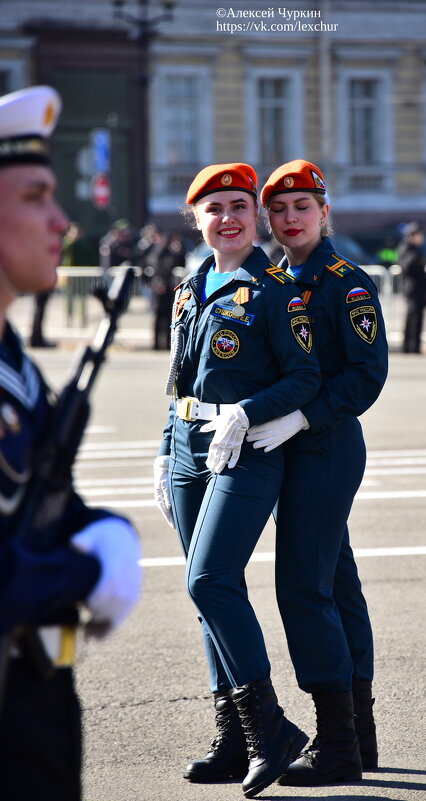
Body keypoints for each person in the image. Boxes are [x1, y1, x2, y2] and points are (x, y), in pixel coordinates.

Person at [152, 162, 321, 798]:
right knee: (206, 595)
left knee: (210, 579)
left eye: (240, 208)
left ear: (256, 219)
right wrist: (165, 454)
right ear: (195, 219)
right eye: (215, 208)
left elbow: (305, 377)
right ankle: (231, 736)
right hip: (191, 447)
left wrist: (251, 411)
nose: (228, 218)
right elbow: (178, 380)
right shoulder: (190, 287)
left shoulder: (276, 290)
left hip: (246, 447)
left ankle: (268, 731)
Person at [0, 85, 142, 801]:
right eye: (34, 196)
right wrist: (78, 575)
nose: (60, 219)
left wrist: (98, 528)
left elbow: (34, 495)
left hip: (32, 705)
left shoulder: (15, 364)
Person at [245, 160, 388, 785]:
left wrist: (304, 417)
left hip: (324, 443)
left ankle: (336, 746)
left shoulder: (344, 282)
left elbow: (365, 375)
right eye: (278, 209)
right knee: (338, 584)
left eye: (303, 206)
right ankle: (361, 737)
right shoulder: (276, 277)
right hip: (290, 447)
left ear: (325, 212)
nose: (290, 218)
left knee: (304, 589)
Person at [396, 221, 426, 353]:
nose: (421, 238)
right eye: (418, 235)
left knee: (417, 317)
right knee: (413, 318)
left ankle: (414, 345)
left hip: (419, 289)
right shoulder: (407, 249)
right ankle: (410, 346)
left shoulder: (415, 249)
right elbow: (407, 267)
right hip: (412, 288)